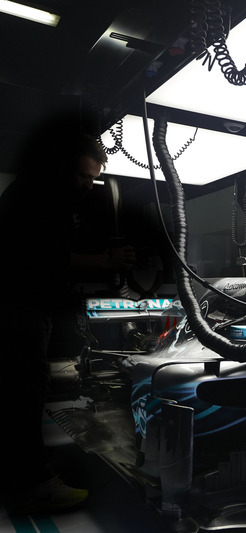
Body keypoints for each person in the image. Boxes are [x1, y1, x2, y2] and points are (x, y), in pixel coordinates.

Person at [0, 115, 136, 513]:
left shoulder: (49, 198)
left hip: (26, 306)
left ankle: (22, 477)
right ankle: (32, 486)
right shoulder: (36, 196)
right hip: (15, 308)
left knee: (23, 389)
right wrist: (103, 260)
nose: (88, 185)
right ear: (58, 165)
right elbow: (41, 258)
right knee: (25, 388)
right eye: (82, 175)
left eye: (93, 177)